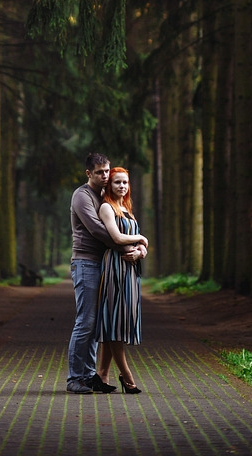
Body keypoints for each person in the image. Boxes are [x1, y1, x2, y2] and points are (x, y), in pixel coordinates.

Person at [66, 153, 148, 394]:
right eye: (100, 172)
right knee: (86, 322)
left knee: (98, 323)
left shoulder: (105, 196)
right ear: (88, 173)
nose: (105, 175)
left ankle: (91, 376)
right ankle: (75, 378)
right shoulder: (82, 196)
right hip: (85, 263)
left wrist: (139, 251)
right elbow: (98, 231)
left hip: (104, 265)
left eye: (107, 171)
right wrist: (130, 247)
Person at [96, 167, 147, 394]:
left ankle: (101, 376)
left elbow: (139, 246)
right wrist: (142, 238)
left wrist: (141, 252)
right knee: (114, 321)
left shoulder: (126, 208)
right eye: (117, 182)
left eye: (125, 182)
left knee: (119, 322)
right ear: (109, 185)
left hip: (130, 271)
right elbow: (116, 237)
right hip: (115, 268)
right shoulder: (106, 208)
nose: (122, 186)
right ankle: (127, 377)